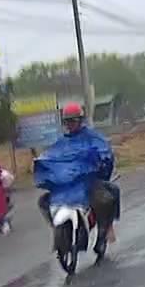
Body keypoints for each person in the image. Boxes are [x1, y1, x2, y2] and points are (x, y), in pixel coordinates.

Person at [36, 102, 120, 254]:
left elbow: (104, 150)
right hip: (66, 186)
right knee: (43, 201)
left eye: (73, 121)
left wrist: (100, 158)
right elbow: (50, 156)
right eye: (67, 121)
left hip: (87, 182)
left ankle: (103, 233)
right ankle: (58, 228)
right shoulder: (61, 142)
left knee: (105, 199)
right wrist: (42, 163)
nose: (70, 124)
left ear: (80, 120)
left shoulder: (91, 137)